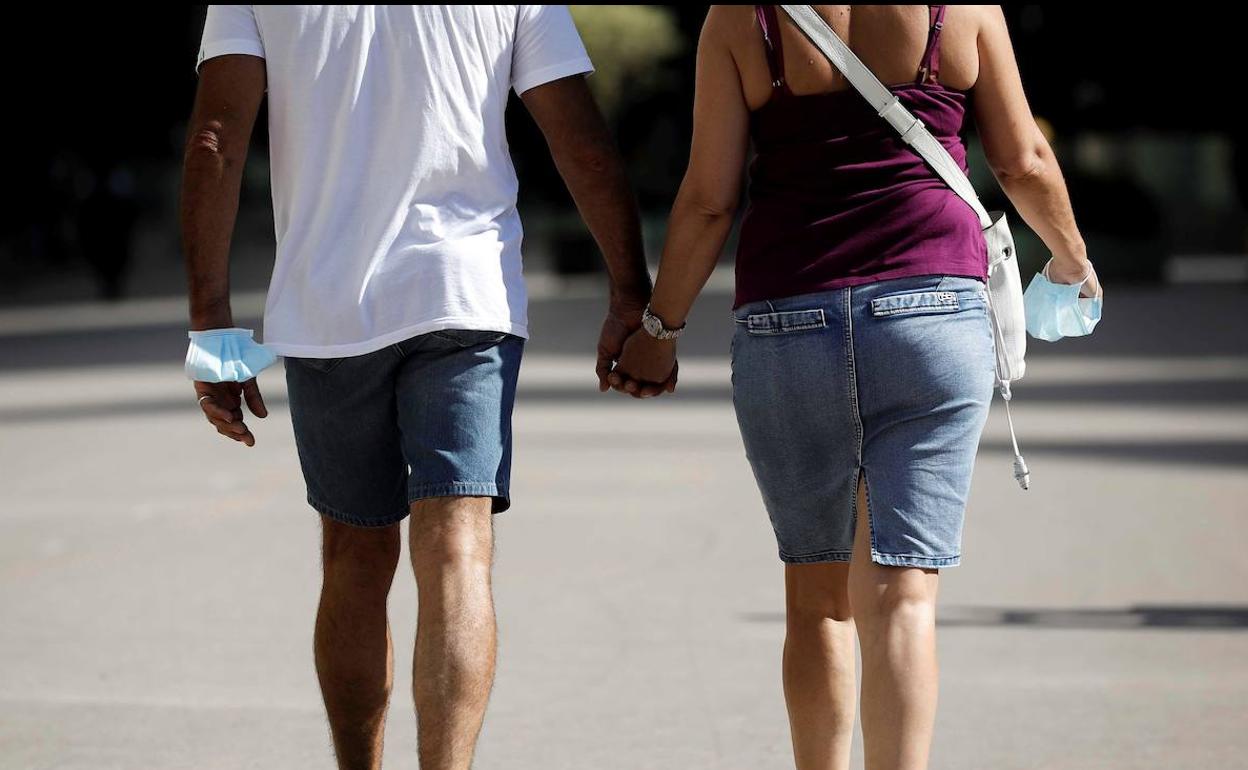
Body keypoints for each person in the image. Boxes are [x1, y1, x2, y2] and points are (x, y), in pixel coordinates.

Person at [610, 6, 1096, 770]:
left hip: (787, 317)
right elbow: (1022, 160)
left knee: (816, 599)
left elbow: (709, 198)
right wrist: (1071, 261)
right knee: (905, 595)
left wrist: (658, 331)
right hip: (932, 314)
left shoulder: (739, 18)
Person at [182, 6, 654, 769]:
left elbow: (215, 138)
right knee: (458, 551)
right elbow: (580, 140)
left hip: (329, 307)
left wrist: (212, 329)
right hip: (466, 294)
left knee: (353, 557)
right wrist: (632, 294)